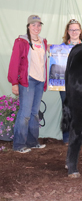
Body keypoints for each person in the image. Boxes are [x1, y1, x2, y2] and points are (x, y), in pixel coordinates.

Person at [8, 15, 48, 153]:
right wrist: (14, 82)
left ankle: (32, 142)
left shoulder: (43, 42)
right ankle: (18, 145)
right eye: (33, 25)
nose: (36, 27)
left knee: (34, 113)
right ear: (28, 26)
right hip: (27, 80)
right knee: (25, 113)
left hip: (39, 80)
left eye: (38, 25)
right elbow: (14, 62)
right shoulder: (21, 41)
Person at [59, 19, 82, 145]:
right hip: (64, 84)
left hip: (81, 85)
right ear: (68, 31)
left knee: (81, 111)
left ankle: (79, 138)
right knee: (67, 109)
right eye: (71, 29)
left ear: (80, 31)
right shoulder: (60, 48)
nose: (74, 32)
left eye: (76, 29)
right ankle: (66, 137)